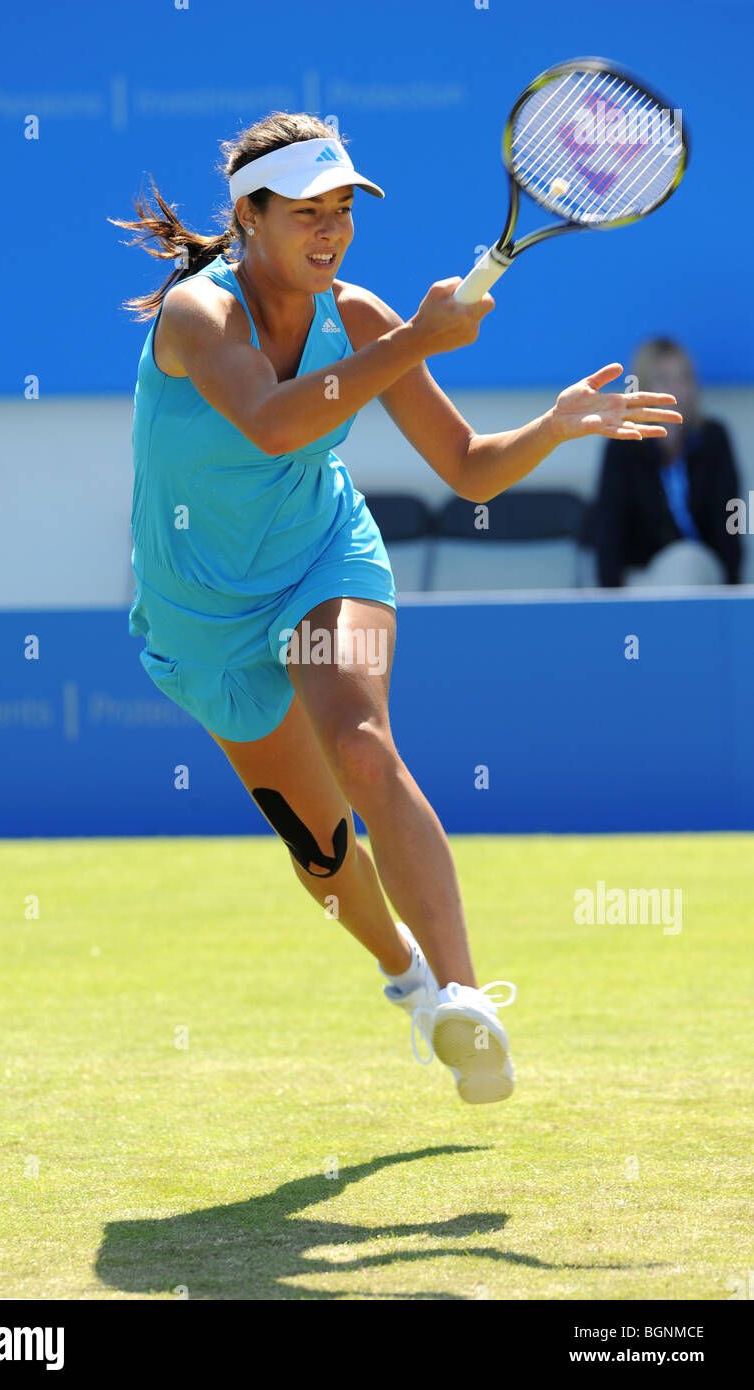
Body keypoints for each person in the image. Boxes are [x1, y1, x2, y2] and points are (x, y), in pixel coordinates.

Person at [110, 112, 680, 1106]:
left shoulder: (361, 315)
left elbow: (466, 469)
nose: (329, 233)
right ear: (248, 218)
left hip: (320, 554)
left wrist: (551, 425)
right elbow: (278, 421)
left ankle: (467, 995)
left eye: (342, 212)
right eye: (304, 214)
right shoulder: (196, 316)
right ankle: (409, 978)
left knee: (363, 744)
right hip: (200, 613)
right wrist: (419, 336)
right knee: (319, 843)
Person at [594, 338, 742, 587]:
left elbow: (729, 527)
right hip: (641, 578)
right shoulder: (622, 446)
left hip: (702, 576)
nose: (678, 390)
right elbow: (609, 531)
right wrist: (612, 605)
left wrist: (729, 605)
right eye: (664, 380)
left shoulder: (713, 439)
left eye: (684, 378)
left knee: (685, 563)